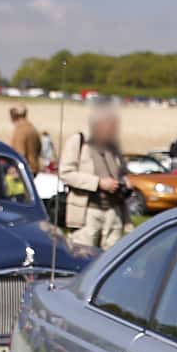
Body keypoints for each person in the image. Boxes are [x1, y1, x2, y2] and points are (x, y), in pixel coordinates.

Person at [58, 102, 130, 249]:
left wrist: (125, 184)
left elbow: (122, 173)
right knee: (84, 259)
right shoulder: (78, 141)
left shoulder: (113, 146)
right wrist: (98, 183)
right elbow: (65, 172)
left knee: (112, 262)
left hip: (114, 213)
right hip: (87, 213)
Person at [8, 105, 42, 172]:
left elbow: (20, 154)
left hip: (23, 171)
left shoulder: (20, 131)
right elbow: (39, 148)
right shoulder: (32, 128)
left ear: (13, 116)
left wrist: (13, 170)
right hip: (34, 168)